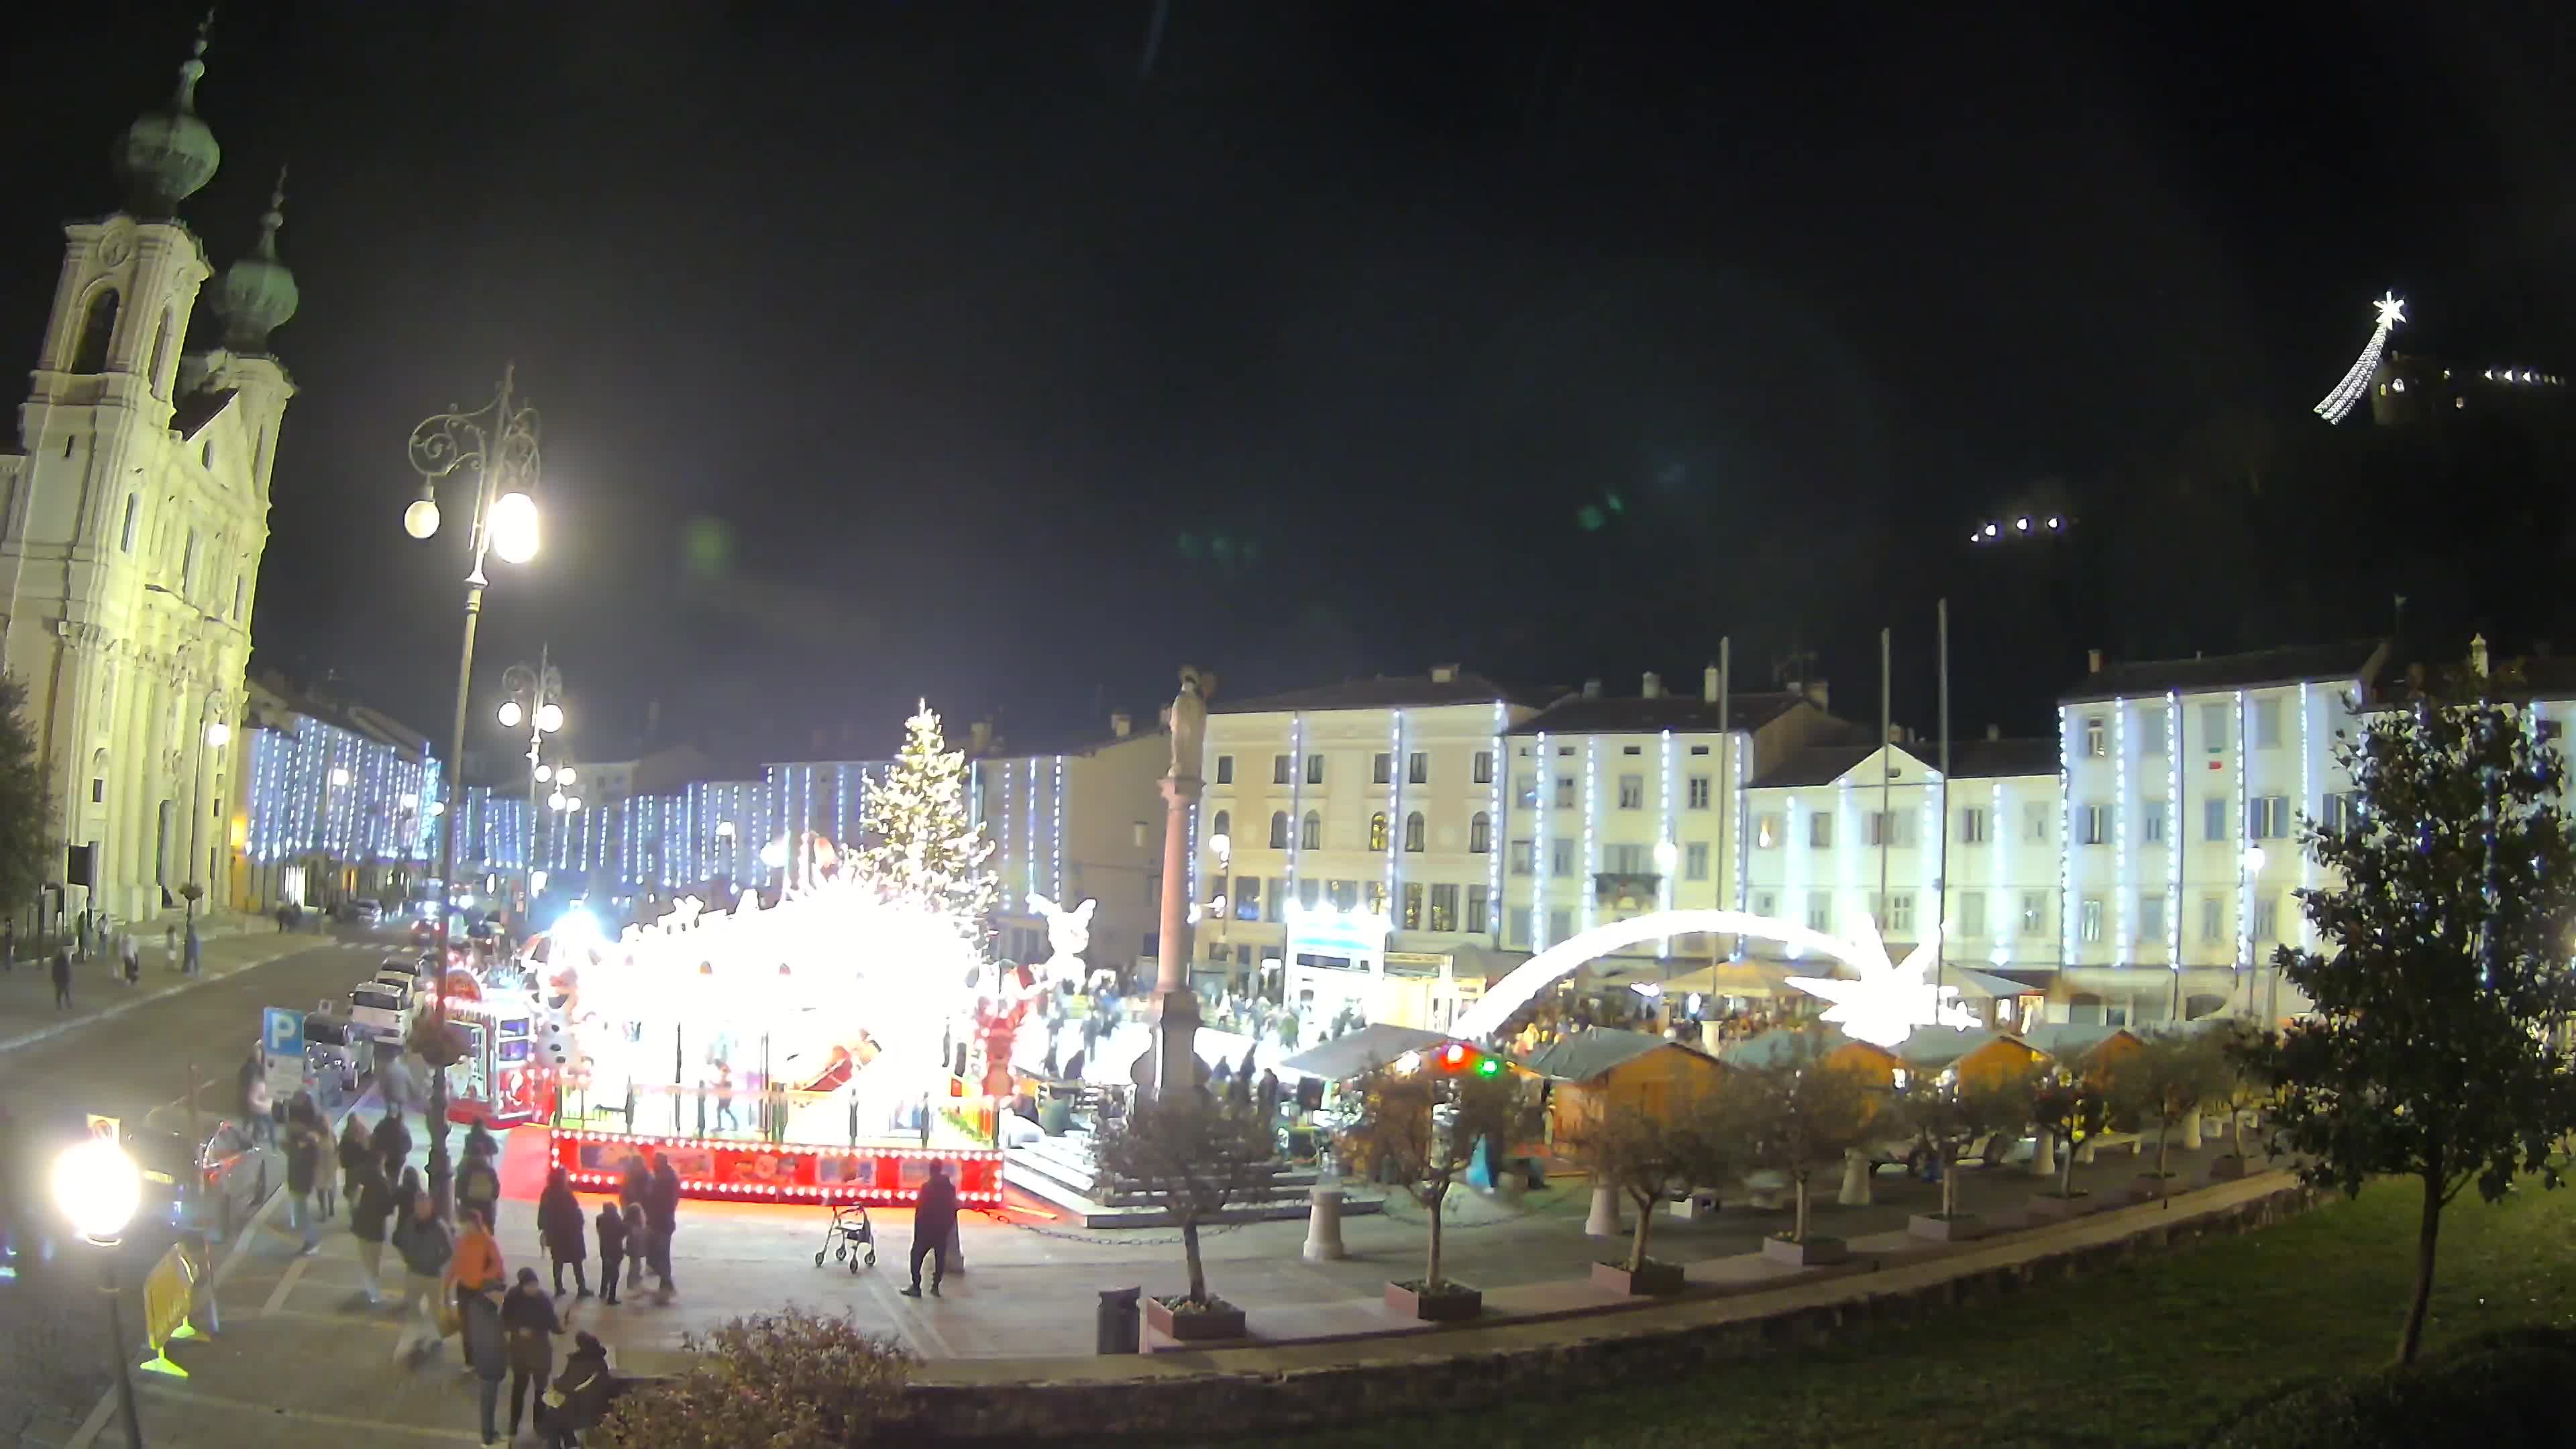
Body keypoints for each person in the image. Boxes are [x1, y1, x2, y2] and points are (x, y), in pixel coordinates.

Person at [390, 1187, 454, 1360]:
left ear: (431, 1207)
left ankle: (435, 1336)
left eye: (425, 1206)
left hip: (433, 1275)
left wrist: (436, 1263)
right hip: (414, 1272)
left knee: (436, 1309)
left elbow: (449, 1250)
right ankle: (419, 1333)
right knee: (412, 1305)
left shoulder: (440, 1226)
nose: (422, 1210)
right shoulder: (409, 1223)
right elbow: (401, 1241)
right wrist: (408, 1259)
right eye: (419, 1206)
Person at [501, 1267, 564, 1441]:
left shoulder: (543, 1299)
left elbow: (552, 1323)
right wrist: (517, 1330)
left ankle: (539, 1425)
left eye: (535, 1285)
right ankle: (514, 1425)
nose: (533, 1289)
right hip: (520, 1352)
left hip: (540, 1352)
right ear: (521, 1286)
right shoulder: (512, 1297)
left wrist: (561, 1327)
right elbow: (504, 1320)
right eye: (529, 1286)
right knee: (519, 1389)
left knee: (540, 1391)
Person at [462, 1261, 508, 1444]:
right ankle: (488, 1437)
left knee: (489, 1403)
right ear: (488, 1294)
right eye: (499, 1293)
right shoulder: (487, 1315)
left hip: (485, 1363)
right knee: (488, 1403)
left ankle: (489, 1434)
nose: (502, 1296)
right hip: (490, 1366)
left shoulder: (480, 1307)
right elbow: (494, 1343)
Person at [545, 1332, 613, 1448]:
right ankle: (571, 1444)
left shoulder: (580, 1363)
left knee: (553, 1415)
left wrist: (555, 1382)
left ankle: (562, 1445)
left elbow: (566, 1385)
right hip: (594, 1406)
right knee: (559, 1411)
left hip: (584, 1411)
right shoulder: (600, 1362)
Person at [900, 1161, 958, 1299]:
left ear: (931, 1170)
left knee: (916, 1256)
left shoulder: (927, 1187)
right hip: (942, 1230)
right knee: (940, 1259)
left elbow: (921, 1211)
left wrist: (918, 1231)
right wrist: (947, 1227)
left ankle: (916, 1287)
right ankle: (935, 1287)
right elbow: (953, 1208)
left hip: (926, 1230)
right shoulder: (950, 1188)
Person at [537, 1167, 589, 1298]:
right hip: (570, 1234)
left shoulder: (547, 1192)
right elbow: (574, 1211)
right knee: (576, 1262)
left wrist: (544, 1229)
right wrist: (580, 1224)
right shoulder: (566, 1193)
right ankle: (581, 1288)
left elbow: (542, 1212)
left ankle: (559, 1287)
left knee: (558, 1262)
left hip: (555, 1233)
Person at [348, 1156, 393, 1305]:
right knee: (375, 1262)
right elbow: (388, 1208)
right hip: (375, 1228)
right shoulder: (383, 1183)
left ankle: (368, 1287)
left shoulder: (360, 1178)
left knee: (365, 1258)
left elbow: (353, 1201)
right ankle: (374, 1293)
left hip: (361, 1226)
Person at [284, 1097, 325, 1254]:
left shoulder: (307, 1141)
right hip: (299, 1180)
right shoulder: (303, 1138)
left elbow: (302, 1161)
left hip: (300, 1181)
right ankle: (311, 1240)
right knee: (299, 1214)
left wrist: (293, 1149)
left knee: (300, 1216)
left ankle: (313, 1240)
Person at [643, 1152, 680, 1300]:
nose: (652, 1164)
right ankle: (665, 1284)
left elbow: (655, 1200)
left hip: (661, 1222)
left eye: (655, 1162)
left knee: (661, 1254)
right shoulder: (666, 1177)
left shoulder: (662, 1180)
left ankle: (667, 1286)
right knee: (660, 1254)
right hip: (664, 1221)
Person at [456, 1138, 502, 1229]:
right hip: (486, 1207)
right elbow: (496, 1189)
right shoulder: (489, 1170)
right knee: (486, 1233)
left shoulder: (466, 1169)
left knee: (469, 1233)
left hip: (469, 1205)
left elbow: (459, 1190)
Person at [593, 1197, 627, 1306]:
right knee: (614, 1274)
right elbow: (622, 1233)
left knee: (605, 1271)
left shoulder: (600, 1219)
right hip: (615, 1251)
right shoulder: (616, 1220)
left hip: (604, 1249)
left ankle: (603, 1291)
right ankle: (611, 1298)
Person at [338, 1114, 372, 1212]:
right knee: (356, 1192)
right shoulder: (364, 1134)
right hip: (361, 1168)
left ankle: (354, 1212)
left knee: (352, 1192)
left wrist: (344, 1164)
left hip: (351, 1169)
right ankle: (357, 1211)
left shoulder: (346, 1137)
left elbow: (342, 1153)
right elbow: (368, 1151)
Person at [373, 1104, 414, 1184]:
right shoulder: (403, 1129)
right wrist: (402, 1151)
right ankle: (393, 1188)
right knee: (394, 1176)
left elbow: (375, 1136)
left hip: (386, 1156)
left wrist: (380, 1149)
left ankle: (390, 1188)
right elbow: (409, 1145)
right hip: (398, 1157)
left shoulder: (382, 1125)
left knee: (389, 1174)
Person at [712, 1061, 737, 1132]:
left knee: (719, 1110)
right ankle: (735, 1124)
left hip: (724, 1097)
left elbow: (720, 1086)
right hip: (726, 1097)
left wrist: (712, 1084)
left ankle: (720, 1127)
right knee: (726, 1110)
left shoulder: (724, 1074)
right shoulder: (726, 1073)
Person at [49, 944, 71, 1011]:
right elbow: (67, 969)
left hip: (60, 978)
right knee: (65, 991)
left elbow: (55, 970)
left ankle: (61, 1004)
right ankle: (66, 1003)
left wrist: (54, 977)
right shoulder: (64, 960)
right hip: (63, 977)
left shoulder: (57, 960)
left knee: (60, 992)